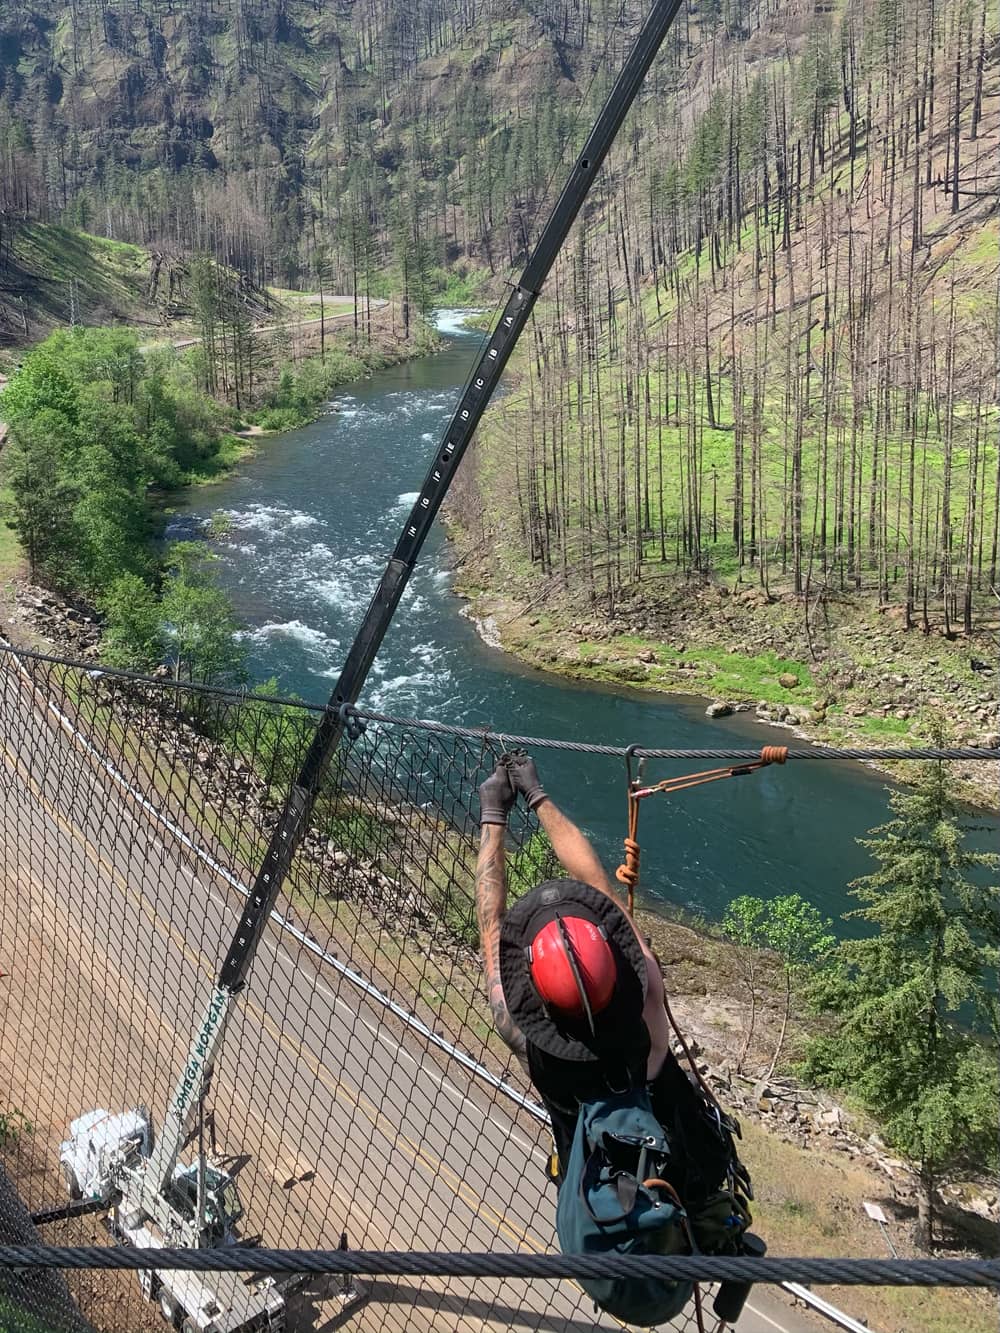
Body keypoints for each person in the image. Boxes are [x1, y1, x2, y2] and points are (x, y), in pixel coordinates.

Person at [475, 750, 742, 1204]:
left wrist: (493, 812)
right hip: (677, 1170)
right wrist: (539, 795)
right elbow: (598, 887)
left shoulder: (519, 1031)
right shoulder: (646, 1001)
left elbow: (491, 924)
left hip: (595, 1186)